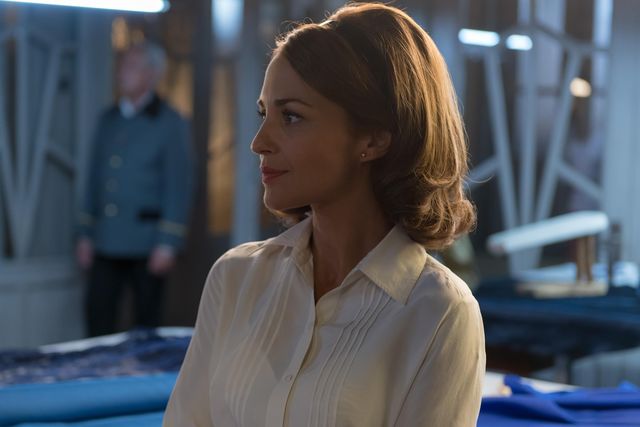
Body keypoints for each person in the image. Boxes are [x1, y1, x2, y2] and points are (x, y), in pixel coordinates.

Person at [164, 3, 484, 426]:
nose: (259, 142)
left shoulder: (439, 314)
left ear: (373, 139)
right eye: (264, 114)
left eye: (291, 116)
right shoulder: (235, 278)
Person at [76, 41, 192, 337]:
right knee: (98, 315)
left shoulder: (169, 122)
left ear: (151, 74)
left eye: (131, 66)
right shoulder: (109, 120)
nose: (121, 73)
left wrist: (168, 242)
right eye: (122, 65)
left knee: (146, 324)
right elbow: (94, 179)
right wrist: (85, 233)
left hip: (147, 242)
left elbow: (178, 185)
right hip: (106, 239)